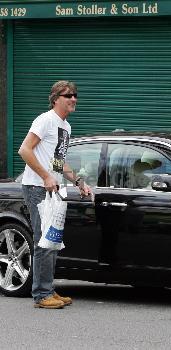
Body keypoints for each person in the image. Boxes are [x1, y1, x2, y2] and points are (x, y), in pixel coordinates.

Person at [18, 80, 91, 309]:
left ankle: (48, 288)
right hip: (37, 188)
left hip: (54, 190)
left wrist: (78, 181)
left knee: (53, 240)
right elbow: (24, 150)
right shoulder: (45, 120)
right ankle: (41, 294)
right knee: (43, 240)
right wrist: (45, 177)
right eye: (68, 95)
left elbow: (58, 162)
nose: (73, 99)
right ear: (56, 98)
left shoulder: (65, 127)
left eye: (75, 95)